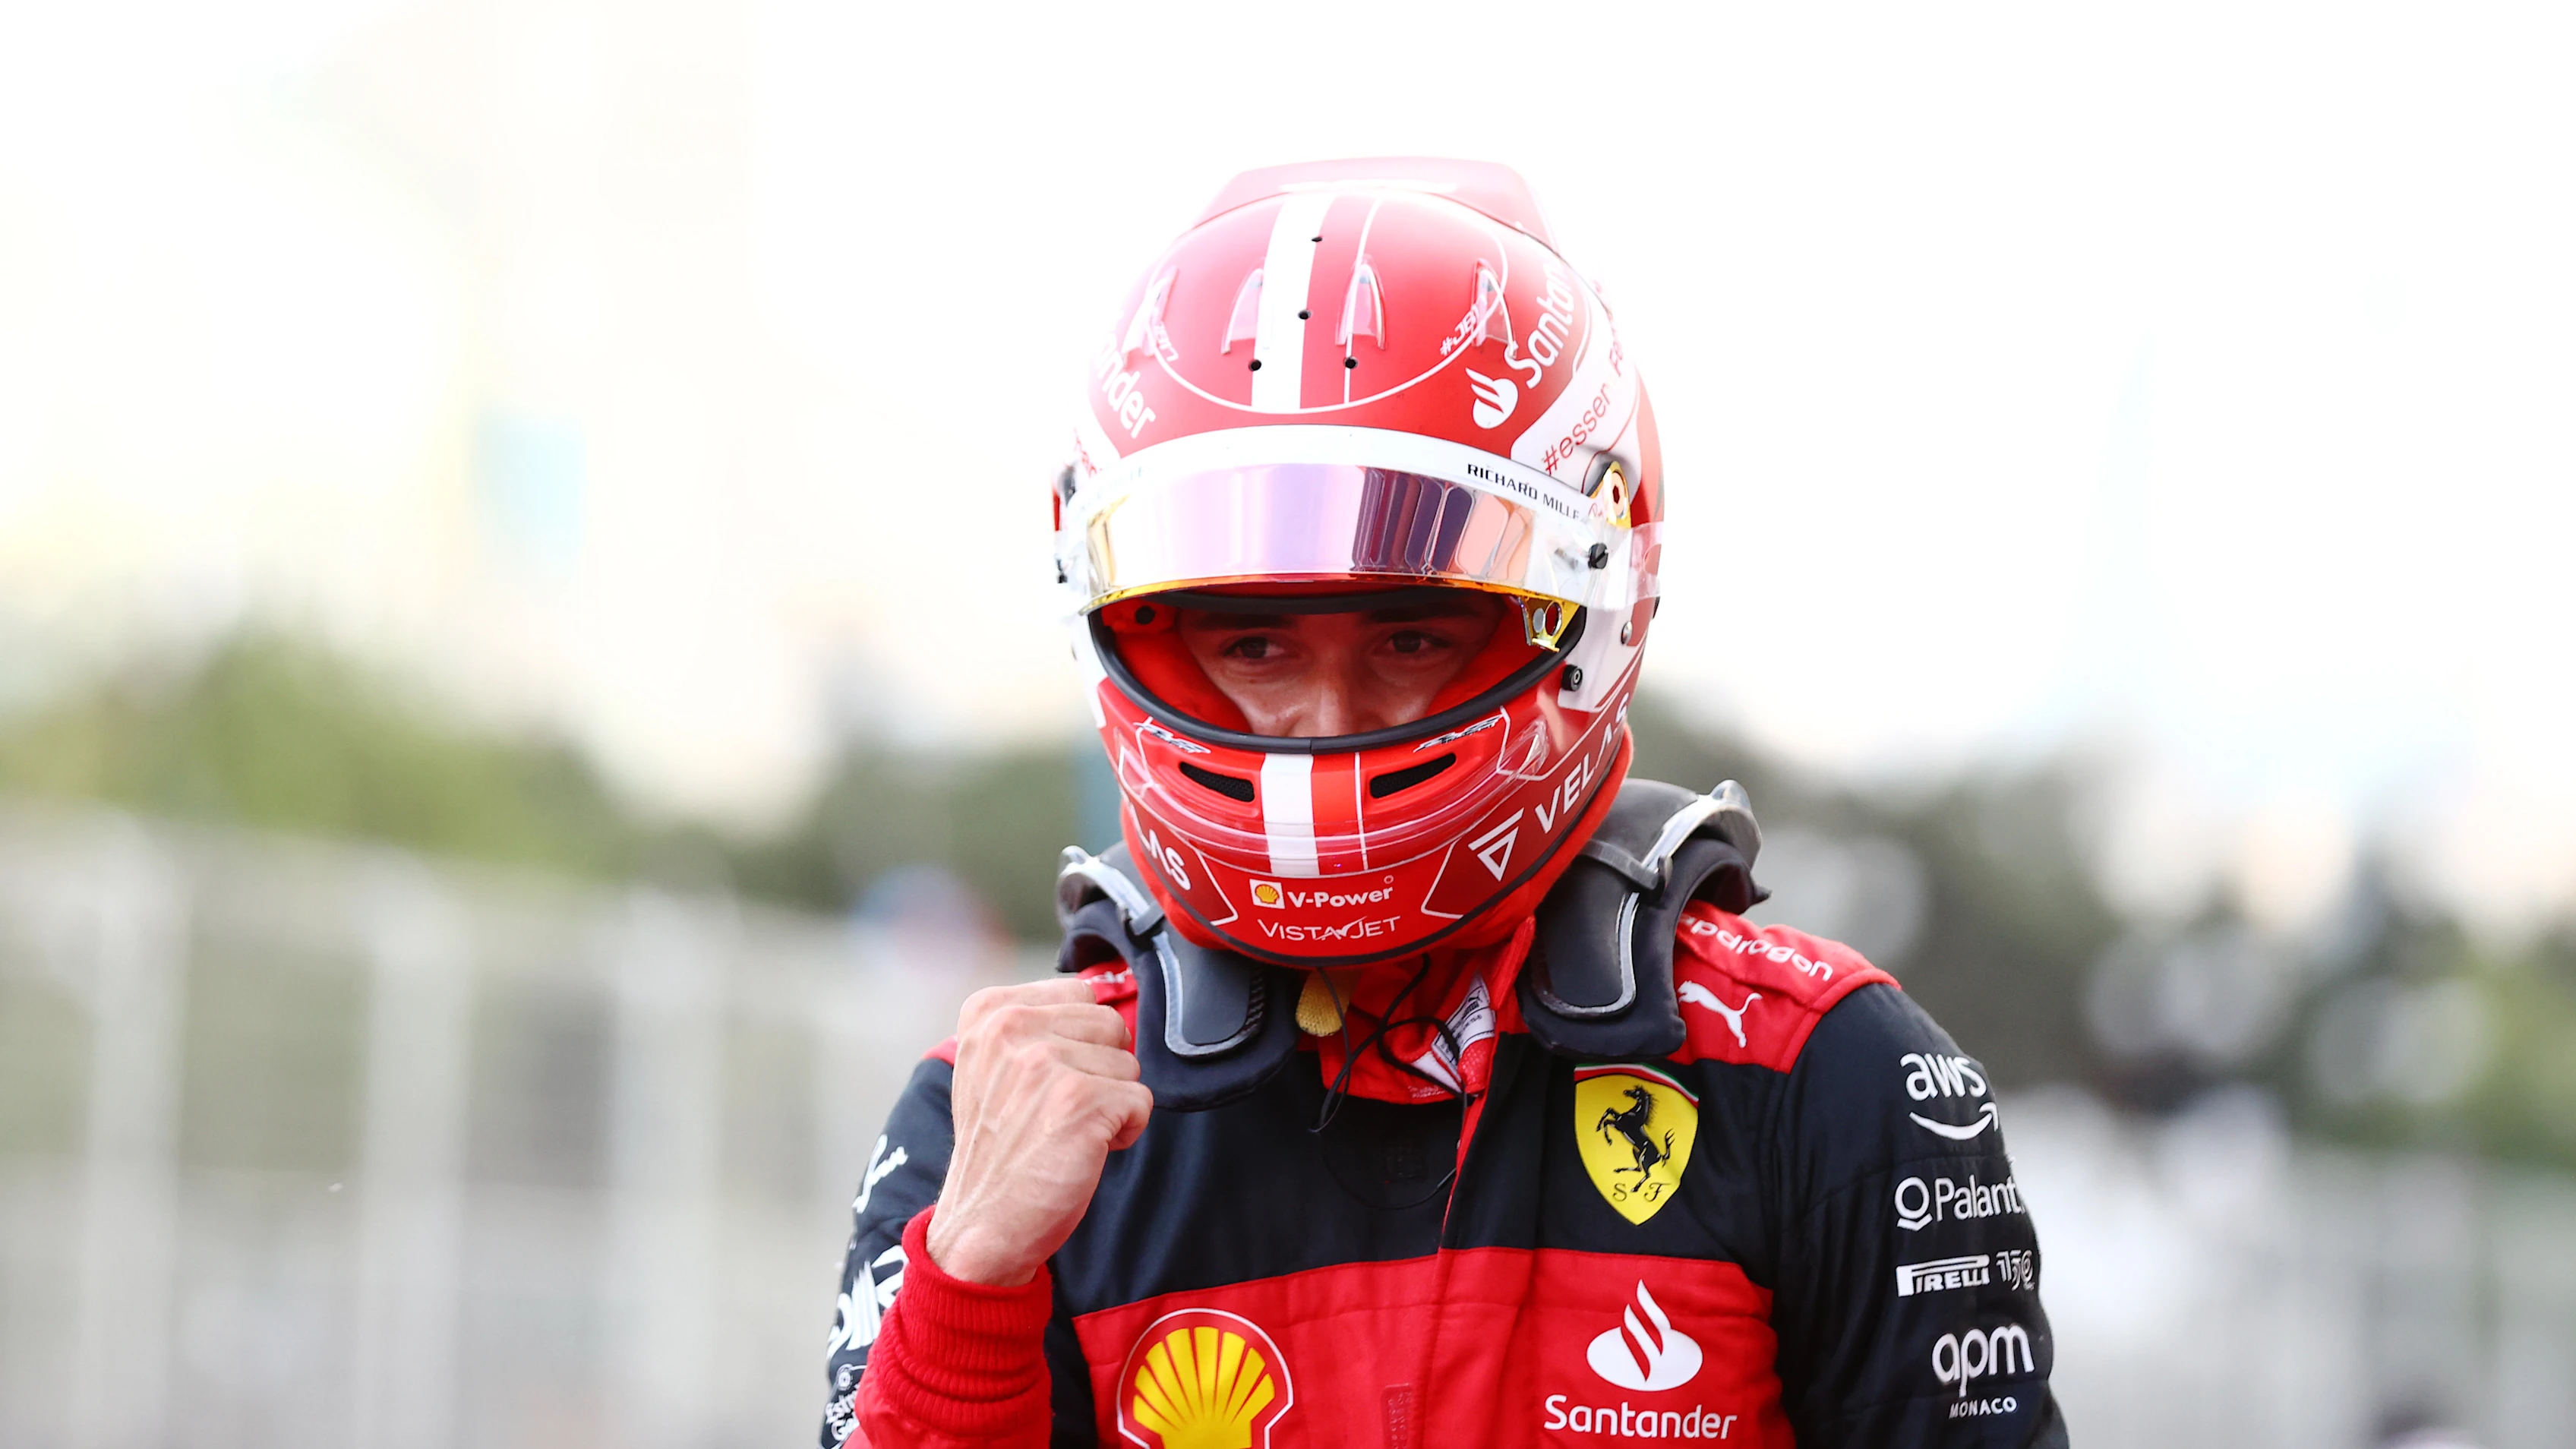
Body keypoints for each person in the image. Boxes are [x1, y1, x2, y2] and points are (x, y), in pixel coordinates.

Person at [820, 157, 2066, 1448]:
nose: (1324, 717)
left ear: (1592, 603)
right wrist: (970, 1289)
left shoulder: (1827, 1077)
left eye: (1412, 639)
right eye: (1254, 649)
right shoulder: (996, 1119)